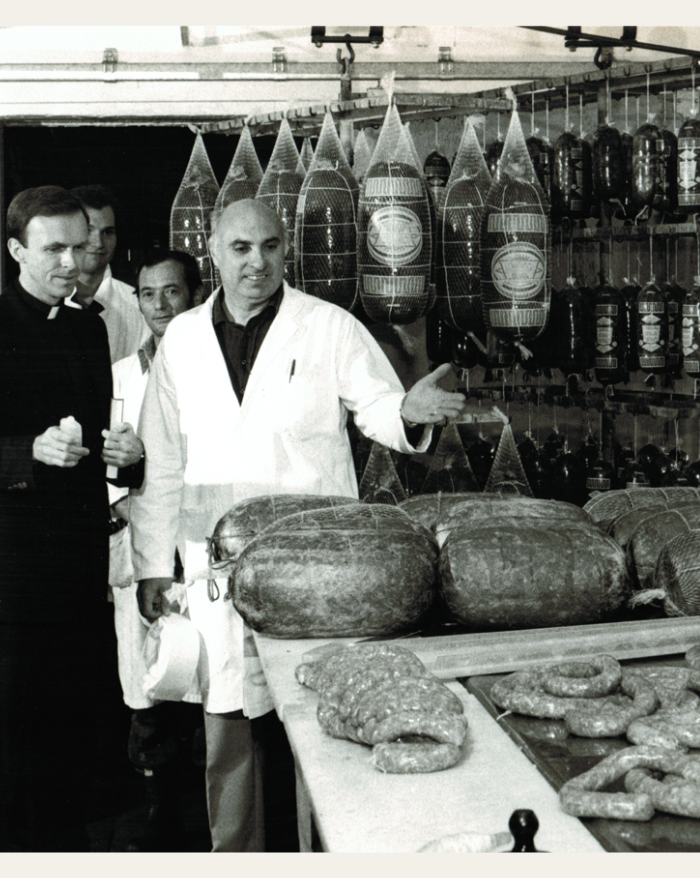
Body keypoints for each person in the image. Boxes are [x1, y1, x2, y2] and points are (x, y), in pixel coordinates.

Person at [131, 198, 465, 852]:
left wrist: (410, 410)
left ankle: (335, 851)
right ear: (215, 255)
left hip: (318, 562)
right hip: (217, 563)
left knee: (320, 721)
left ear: (287, 252)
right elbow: (164, 457)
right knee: (228, 722)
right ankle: (241, 855)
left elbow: (377, 408)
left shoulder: (328, 327)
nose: (257, 262)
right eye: (241, 249)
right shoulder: (184, 340)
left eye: (271, 247)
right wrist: (151, 563)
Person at [0, 186, 145, 851]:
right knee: (10, 734)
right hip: (19, 574)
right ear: (17, 250)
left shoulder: (89, 328)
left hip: (81, 566)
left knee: (75, 731)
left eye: (80, 247)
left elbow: (96, 448)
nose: (70, 262)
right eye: (53, 248)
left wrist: (127, 459)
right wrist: (29, 450)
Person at [108, 250, 205, 850]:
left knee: (207, 686)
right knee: (151, 687)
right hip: (143, 547)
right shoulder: (120, 372)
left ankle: (208, 823)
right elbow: (107, 461)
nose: (161, 305)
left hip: (200, 546)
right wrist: (122, 496)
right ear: (137, 301)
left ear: (195, 294)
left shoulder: (214, 366)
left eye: (173, 292)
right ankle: (162, 820)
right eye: (148, 294)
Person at [70, 183, 149, 364]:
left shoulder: (139, 306)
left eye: (108, 232)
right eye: (88, 231)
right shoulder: (46, 302)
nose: (98, 242)